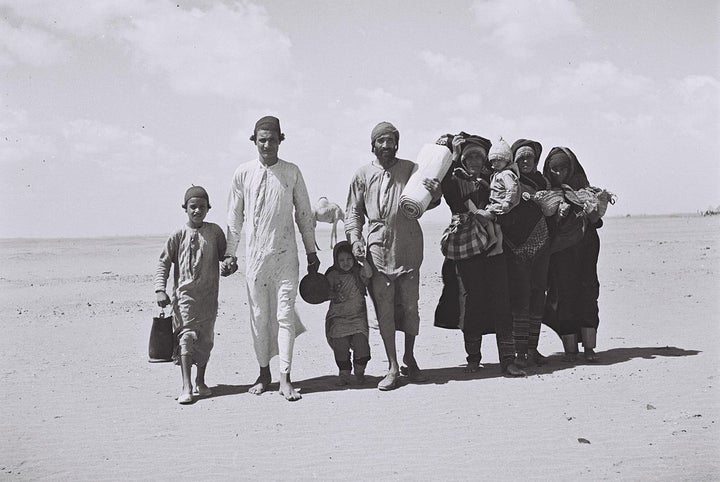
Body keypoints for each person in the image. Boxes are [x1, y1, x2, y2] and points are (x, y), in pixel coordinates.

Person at [222, 116, 320, 401]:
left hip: (286, 256)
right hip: (255, 259)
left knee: (285, 316)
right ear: (254, 140)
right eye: (262, 139)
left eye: (272, 139)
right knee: (259, 317)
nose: (267, 144)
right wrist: (230, 253)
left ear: (281, 140)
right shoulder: (243, 173)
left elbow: (304, 214)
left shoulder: (292, 172)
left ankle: (285, 378)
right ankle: (263, 372)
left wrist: (311, 251)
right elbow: (234, 217)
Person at [345, 121, 442, 391]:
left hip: (409, 246)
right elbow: (352, 213)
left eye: (391, 141)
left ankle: (410, 357)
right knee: (384, 310)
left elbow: (429, 200)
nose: (387, 146)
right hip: (377, 250)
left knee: (411, 307)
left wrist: (436, 193)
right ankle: (392, 366)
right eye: (381, 141)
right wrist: (355, 241)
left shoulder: (412, 169)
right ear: (372, 145)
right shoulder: (362, 175)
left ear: (397, 143)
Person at [433, 132, 526, 377]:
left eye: (478, 156)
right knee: (471, 301)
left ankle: (508, 360)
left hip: (494, 248)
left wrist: (493, 216)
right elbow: (450, 194)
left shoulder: (494, 177)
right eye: (469, 155)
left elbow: (509, 204)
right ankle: (473, 358)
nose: (474, 160)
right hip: (465, 247)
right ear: (462, 159)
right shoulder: (452, 179)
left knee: (501, 300)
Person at [154, 186, 230, 404]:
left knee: (205, 341)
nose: (197, 211)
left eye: (202, 207)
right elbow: (163, 263)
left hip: (208, 298)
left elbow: (225, 257)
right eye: (193, 207)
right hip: (184, 298)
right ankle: (186, 385)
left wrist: (228, 265)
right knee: (186, 338)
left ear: (208, 209)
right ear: (185, 208)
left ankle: (200, 381)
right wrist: (160, 289)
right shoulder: (178, 235)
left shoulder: (215, 232)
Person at [542, 147, 602, 362]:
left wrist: (592, 213)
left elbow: (597, 222)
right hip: (560, 251)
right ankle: (570, 350)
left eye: (563, 168)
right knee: (563, 295)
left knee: (588, 292)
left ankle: (589, 348)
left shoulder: (586, 190)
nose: (559, 173)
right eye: (554, 169)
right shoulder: (546, 191)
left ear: (572, 167)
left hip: (586, 248)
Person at [505, 139, 552, 367]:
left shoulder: (543, 181)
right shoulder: (508, 179)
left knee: (537, 296)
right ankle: (520, 352)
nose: (525, 161)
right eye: (521, 157)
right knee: (520, 299)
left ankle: (533, 349)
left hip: (542, 244)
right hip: (514, 246)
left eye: (529, 157)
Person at [324, 241, 373, 385]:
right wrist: (332, 295)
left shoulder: (358, 272)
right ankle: (344, 375)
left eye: (349, 259)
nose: (345, 263)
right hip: (338, 318)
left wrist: (362, 260)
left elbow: (369, 274)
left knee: (362, 345)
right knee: (340, 347)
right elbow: (322, 291)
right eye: (341, 260)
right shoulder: (332, 275)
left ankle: (359, 372)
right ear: (336, 261)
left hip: (358, 317)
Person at [483, 137, 521, 256]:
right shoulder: (498, 174)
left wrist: (507, 202)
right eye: (494, 161)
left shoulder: (507, 174)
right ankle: (495, 240)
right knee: (494, 223)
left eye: (499, 160)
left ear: (507, 160)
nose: (496, 163)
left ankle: (496, 242)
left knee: (487, 217)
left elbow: (512, 188)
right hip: (495, 203)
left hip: (501, 204)